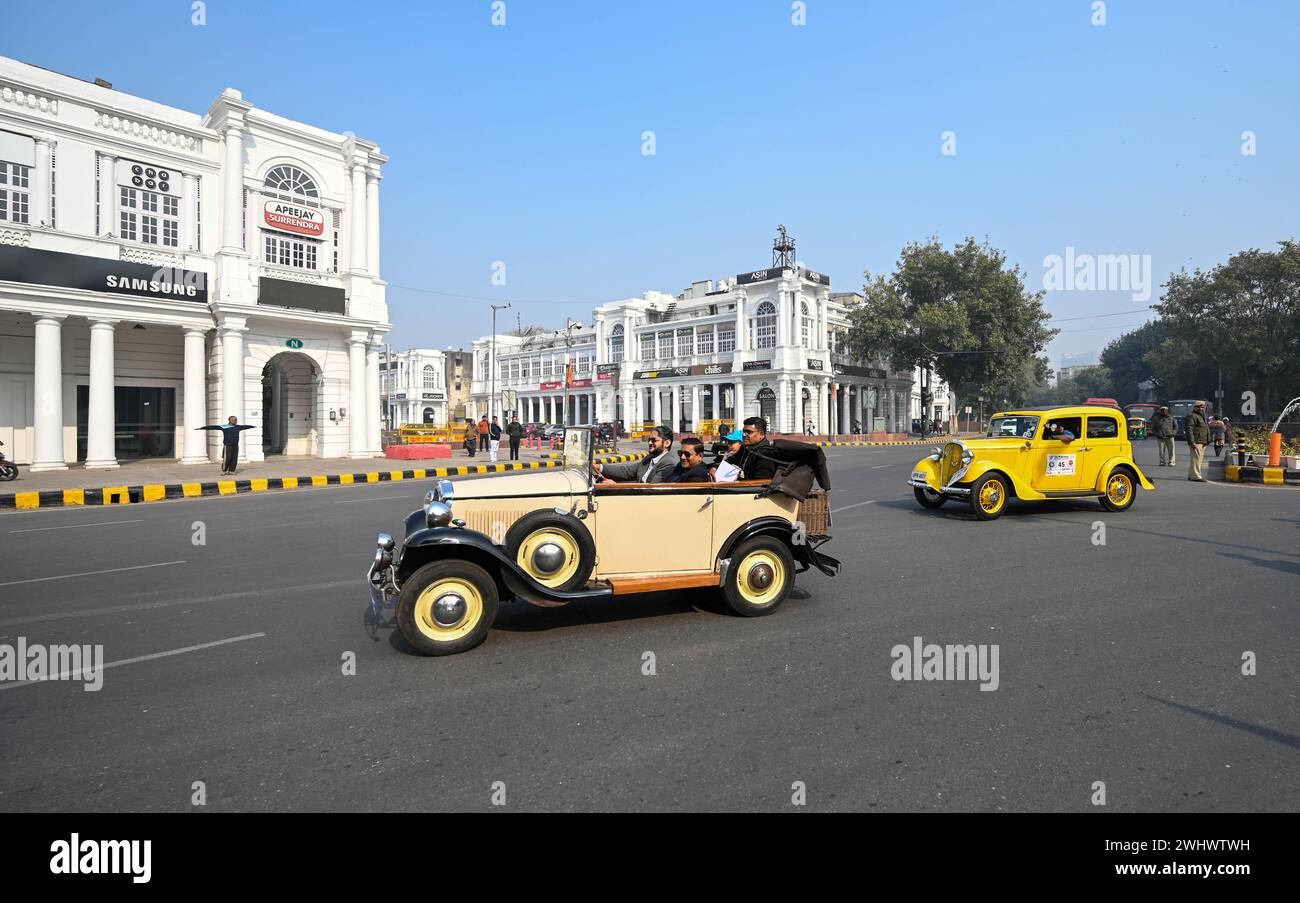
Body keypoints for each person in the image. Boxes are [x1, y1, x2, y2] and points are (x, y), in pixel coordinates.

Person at [596, 426, 676, 483]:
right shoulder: (649, 459)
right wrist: (600, 467)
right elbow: (626, 471)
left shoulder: (668, 464)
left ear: (667, 443)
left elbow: (651, 489)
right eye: (649, 440)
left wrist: (614, 486)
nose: (650, 443)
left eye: (654, 440)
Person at [725, 417, 779, 481]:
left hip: (751, 489)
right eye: (744, 431)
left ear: (761, 434)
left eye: (748, 432)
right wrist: (715, 467)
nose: (744, 434)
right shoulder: (745, 447)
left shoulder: (767, 454)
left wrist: (739, 481)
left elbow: (760, 482)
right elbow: (731, 460)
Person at [1185, 400, 1210, 482]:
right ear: (1195, 408)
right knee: (1196, 459)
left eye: (1203, 407)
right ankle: (1196, 476)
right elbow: (1189, 430)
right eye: (1199, 407)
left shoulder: (1202, 416)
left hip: (1202, 440)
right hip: (1196, 441)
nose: (1201, 409)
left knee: (1198, 459)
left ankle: (1191, 475)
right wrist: (1192, 442)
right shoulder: (1192, 416)